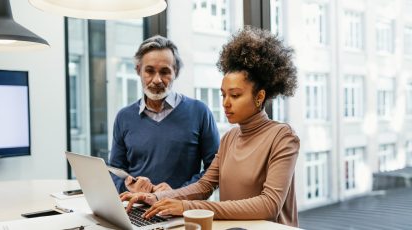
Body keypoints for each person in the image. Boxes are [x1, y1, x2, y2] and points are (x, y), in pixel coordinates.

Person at [120, 26, 300, 227]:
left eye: (235, 95)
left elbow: (269, 205)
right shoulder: (230, 138)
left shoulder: (283, 136)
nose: (225, 103)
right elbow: (205, 185)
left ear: (259, 97)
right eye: (223, 95)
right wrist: (158, 197)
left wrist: (187, 207)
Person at [108, 35, 220, 194]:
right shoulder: (124, 117)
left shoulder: (200, 112)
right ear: (138, 70)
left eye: (165, 72)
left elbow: (215, 171)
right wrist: (127, 186)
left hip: (180, 211)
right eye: (149, 71)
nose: (157, 80)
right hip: (135, 209)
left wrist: (179, 193)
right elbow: (115, 171)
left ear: (176, 72)